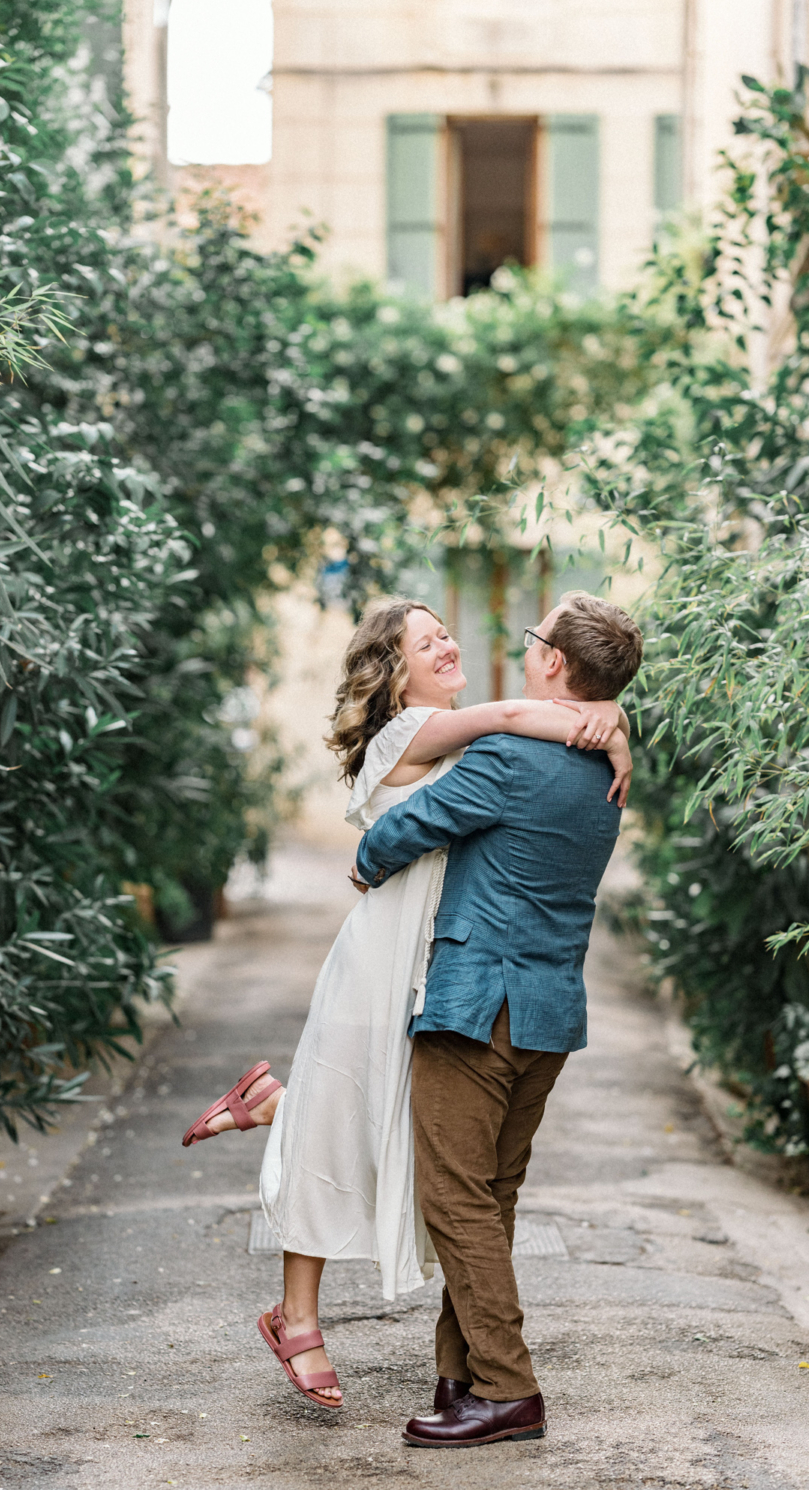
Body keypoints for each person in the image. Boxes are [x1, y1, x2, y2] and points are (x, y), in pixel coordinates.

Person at [179, 596, 634, 1410]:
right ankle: (303, 1313)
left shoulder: (499, 739)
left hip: (443, 965)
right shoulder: (423, 733)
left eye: (446, 632)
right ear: (394, 672)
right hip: (388, 951)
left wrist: (605, 712)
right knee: (358, 1124)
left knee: (396, 1129)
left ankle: (276, 1105)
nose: (449, 645)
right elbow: (511, 720)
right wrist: (604, 715)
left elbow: (526, 724)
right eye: (427, 642)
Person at [353, 589, 643, 1447]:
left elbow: (403, 832)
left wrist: (367, 863)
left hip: (480, 1005)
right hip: (548, 1009)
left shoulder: (511, 755)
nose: (526, 649)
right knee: (490, 1195)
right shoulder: (606, 762)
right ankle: (465, 1376)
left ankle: (508, 1391)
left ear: (553, 662)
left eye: (533, 639)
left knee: (453, 1196)